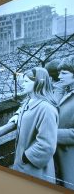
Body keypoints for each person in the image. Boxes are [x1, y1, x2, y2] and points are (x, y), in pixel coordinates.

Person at [0, 67, 58, 183]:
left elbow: (47, 145)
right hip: (23, 166)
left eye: (27, 81)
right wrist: (17, 116)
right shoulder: (29, 100)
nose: (22, 84)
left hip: (34, 170)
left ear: (38, 83)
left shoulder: (46, 109)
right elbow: (23, 109)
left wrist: (26, 157)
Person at [54, 56, 74, 189]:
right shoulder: (62, 90)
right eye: (59, 72)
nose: (59, 76)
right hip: (57, 154)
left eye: (64, 73)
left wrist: (51, 134)